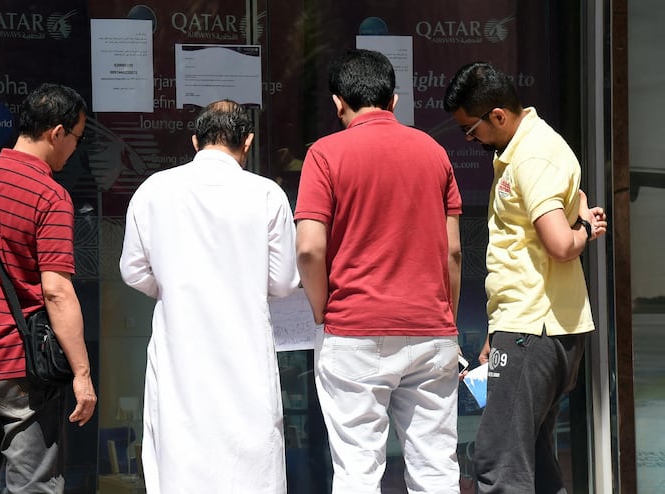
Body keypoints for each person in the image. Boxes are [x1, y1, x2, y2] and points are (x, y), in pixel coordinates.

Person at [295, 49, 464, 494]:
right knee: (436, 468)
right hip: (432, 329)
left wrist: (321, 311)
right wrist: (445, 316)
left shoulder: (324, 154)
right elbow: (453, 253)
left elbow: (310, 250)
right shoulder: (434, 152)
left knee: (358, 470)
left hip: (354, 332)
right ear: (394, 100)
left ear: (338, 104)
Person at [443, 62, 608, 493]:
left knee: (499, 462)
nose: (469, 139)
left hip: (533, 330)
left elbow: (558, 243)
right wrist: (495, 334)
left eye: (470, 128)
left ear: (498, 115)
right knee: (531, 455)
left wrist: (585, 229)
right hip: (528, 327)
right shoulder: (525, 148)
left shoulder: (533, 156)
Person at [119, 100, 299, 494]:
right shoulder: (267, 195)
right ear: (248, 142)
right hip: (245, 351)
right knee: (250, 462)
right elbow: (285, 282)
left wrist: (170, 288)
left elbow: (132, 270)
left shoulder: (155, 189)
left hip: (180, 351)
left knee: (180, 456)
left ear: (195, 140)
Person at [0, 83, 97, 493]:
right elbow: (56, 291)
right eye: (77, 138)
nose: (74, 150)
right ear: (57, 132)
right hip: (21, 371)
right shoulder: (49, 195)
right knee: (33, 486)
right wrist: (81, 373)